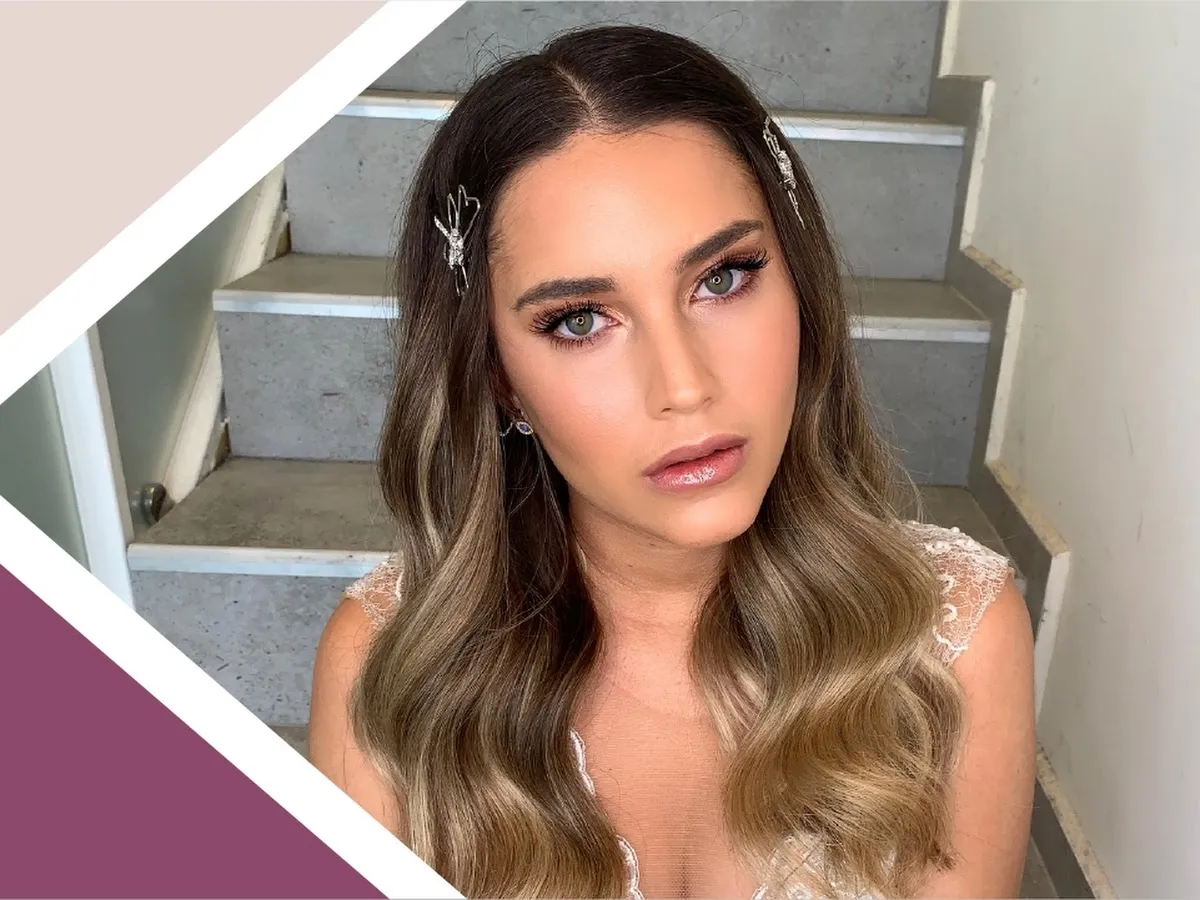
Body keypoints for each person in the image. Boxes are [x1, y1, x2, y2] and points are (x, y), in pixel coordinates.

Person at [307, 24, 1035, 900]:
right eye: (580, 320)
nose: (684, 387)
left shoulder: (951, 637)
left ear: (800, 282)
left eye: (722, 278)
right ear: (500, 380)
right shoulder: (388, 669)